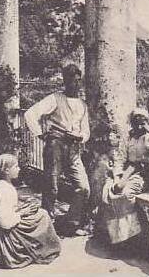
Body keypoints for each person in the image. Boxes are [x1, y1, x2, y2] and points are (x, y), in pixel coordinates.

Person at [24, 64, 90, 236]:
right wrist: (41, 134)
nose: (73, 84)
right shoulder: (54, 98)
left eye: (76, 81)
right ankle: (46, 227)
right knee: (51, 186)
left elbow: (86, 130)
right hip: (56, 146)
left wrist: (80, 137)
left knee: (83, 187)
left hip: (74, 148)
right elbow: (30, 114)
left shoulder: (83, 105)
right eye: (69, 80)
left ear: (79, 81)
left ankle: (71, 223)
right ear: (64, 81)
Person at [100, 108, 149, 245]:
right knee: (108, 191)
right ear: (132, 122)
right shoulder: (128, 138)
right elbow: (120, 159)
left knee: (126, 195)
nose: (139, 124)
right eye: (136, 121)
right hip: (128, 171)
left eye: (142, 121)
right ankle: (115, 236)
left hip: (143, 174)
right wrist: (117, 178)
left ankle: (130, 238)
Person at [0, 154, 61, 269]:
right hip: (2, 231)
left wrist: (22, 209)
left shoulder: (0, 184)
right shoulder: (5, 190)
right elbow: (5, 223)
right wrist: (22, 213)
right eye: (16, 166)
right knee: (42, 216)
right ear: (7, 171)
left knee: (36, 211)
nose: (19, 169)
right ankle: (41, 247)